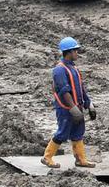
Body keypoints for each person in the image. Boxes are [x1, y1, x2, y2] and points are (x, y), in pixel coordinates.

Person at [41, 37, 96, 169]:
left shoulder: (73, 68)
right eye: (75, 51)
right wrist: (72, 108)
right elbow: (64, 91)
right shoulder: (59, 70)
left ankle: (80, 159)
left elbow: (80, 88)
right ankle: (47, 157)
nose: (77, 53)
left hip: (77, 106)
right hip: (66, 109)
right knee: (63, 132)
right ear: (68, 52)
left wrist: (89, 104)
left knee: (78, 132)